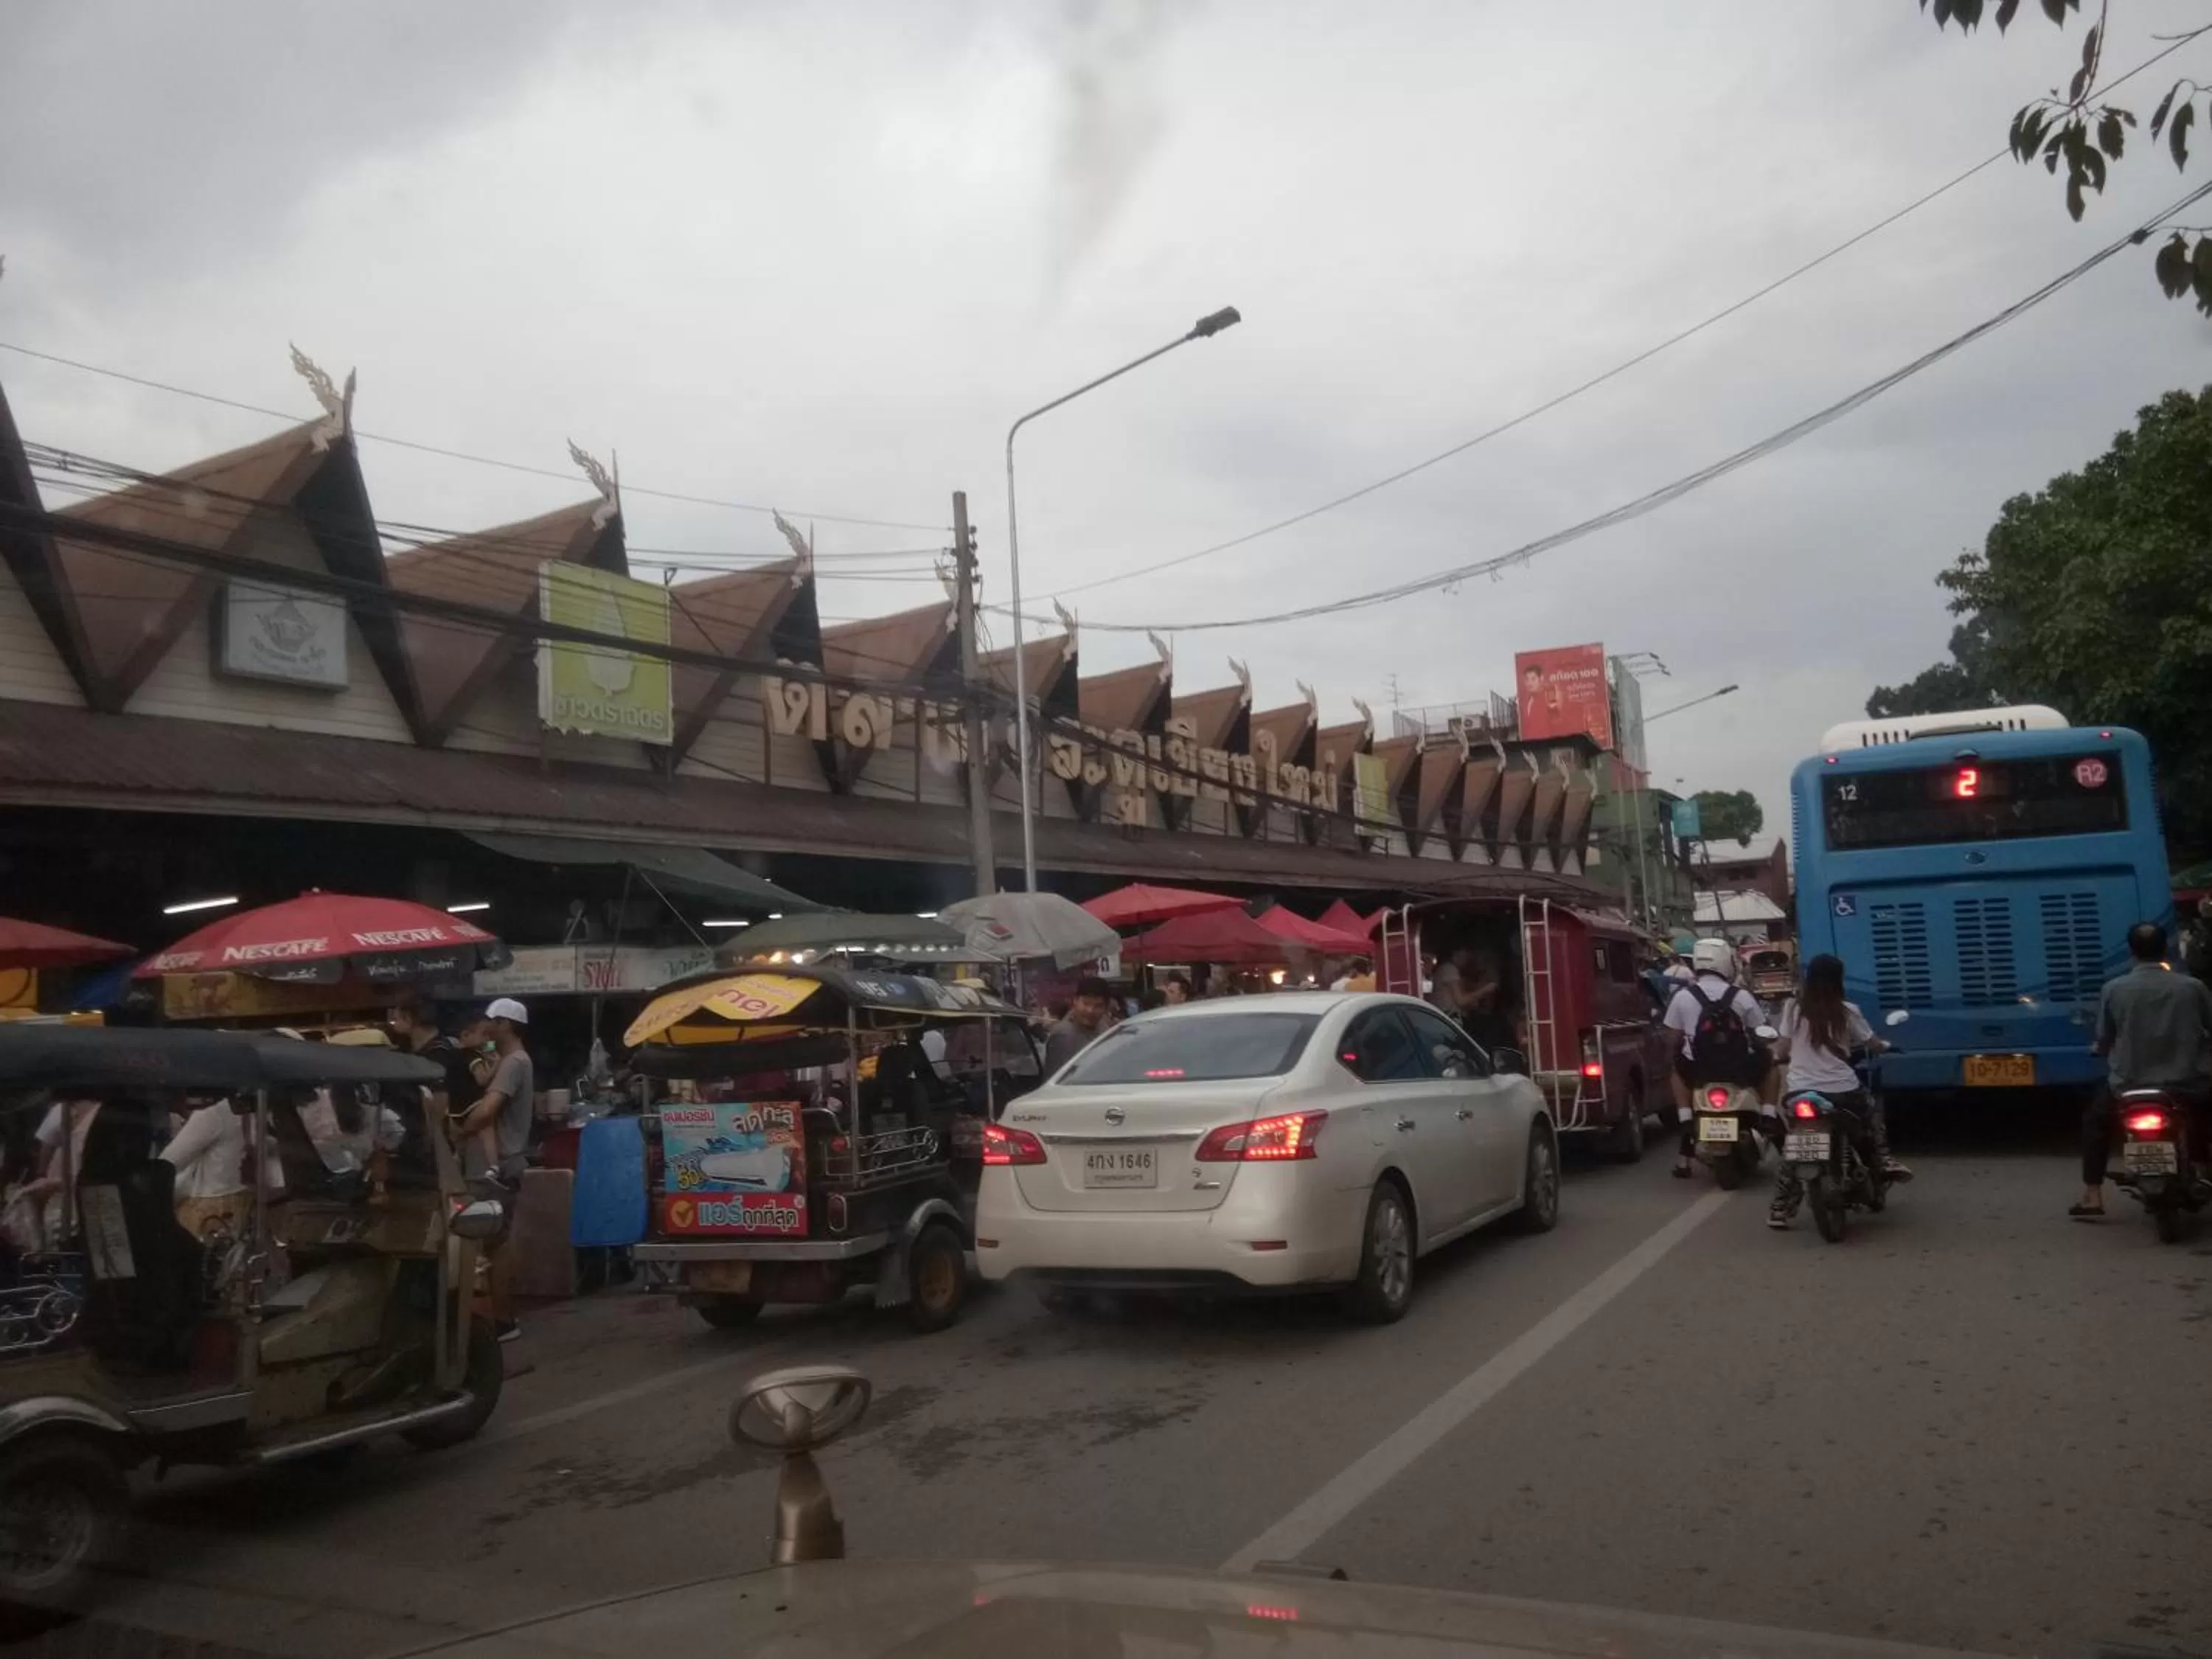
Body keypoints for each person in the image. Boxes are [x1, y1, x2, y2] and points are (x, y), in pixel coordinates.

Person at [2073, 920, 2212, 1219]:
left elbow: (2105, 1038)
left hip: (2128, 1085)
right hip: (2186, 1082)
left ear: (2131, 952)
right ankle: (2202, 1167)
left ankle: (2092, 1194)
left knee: (2096, 1124)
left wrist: (2099, 1049)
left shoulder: (2114, 989)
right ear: (2166, 949)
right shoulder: (2192, 987)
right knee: (2203, 1118)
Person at [1766, 953, 1910, 1228]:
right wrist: (1890, 1046)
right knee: (1870, 1119)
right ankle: (1883, 1161)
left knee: (1796, 1146)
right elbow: (1873, 1043)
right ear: (1838, 980)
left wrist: (1772, 1055)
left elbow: (1782, 1047)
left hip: (1801, 1092)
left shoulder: (1793, 1008)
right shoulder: (1848, 1010)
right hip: (1843, 1090)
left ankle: (1780, 1208)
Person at [454, 998, 535, 1340]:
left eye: (492, 1022)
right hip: (499, 1164)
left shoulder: (514, 1063)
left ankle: (502, 1320)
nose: (487, 1028)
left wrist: (459, 1129)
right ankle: (499, 1318)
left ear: (507, 1025)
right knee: (492, 1243)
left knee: (493, 1243)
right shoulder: (505, 1060)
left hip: (497, 1166)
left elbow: (488, 1110)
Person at [1661, 937, 1770, 1178]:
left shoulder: (1682, 997)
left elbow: (1672, 1039)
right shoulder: (1741, 996)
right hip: (1739, 1070)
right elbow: (1761, 1034)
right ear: (1726, 963)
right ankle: (1769, 1114)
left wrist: (1676, 1056)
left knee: (1675, 1069)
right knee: (1769, 1061)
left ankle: (1685, 1117)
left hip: (1698, 1071)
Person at [161, 1093, 252, 1241]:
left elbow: (167, 1164)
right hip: (245, 1205)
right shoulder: (259, 1109)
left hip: (210, 1211)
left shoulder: (214, 1113)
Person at [1044, 977, 1112, 1073]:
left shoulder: (1105, 1029)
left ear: (1106, 1008)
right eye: (1086, 1004)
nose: (1090, 1011)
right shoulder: (1063, 1035)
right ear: (1075, 1001)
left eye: (1098, 1006)